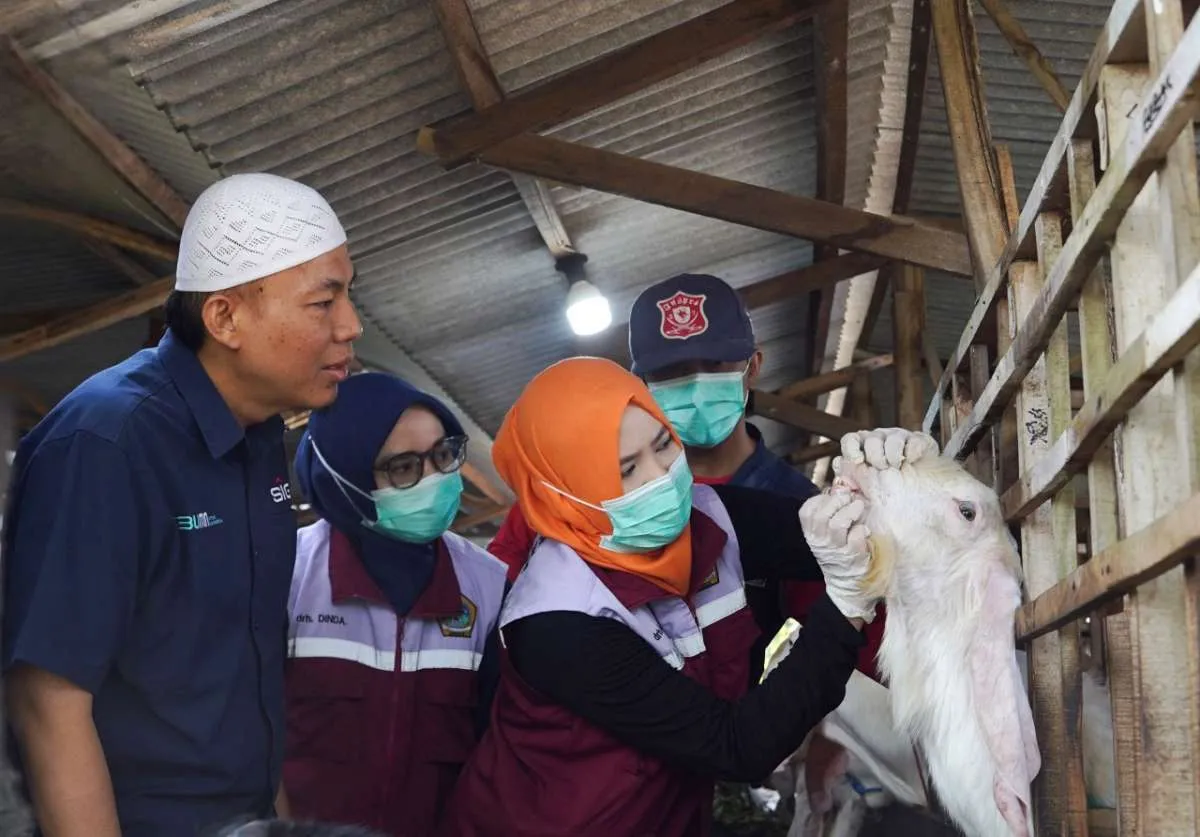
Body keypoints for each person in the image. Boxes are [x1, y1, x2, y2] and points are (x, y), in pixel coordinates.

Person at [2, 172, 360, 837]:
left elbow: (244, 672)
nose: (351, 325)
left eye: (349, 293)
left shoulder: (258, 435)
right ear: (225, 317)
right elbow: (47, 699)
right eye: (324, 301)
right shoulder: (107, 441)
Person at [442, 358, 925, 836]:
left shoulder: (715, 517)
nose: (661, 478)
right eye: (626, 469)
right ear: (566, 495)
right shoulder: (557, 623)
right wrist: (845, 606)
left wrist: (884, 488)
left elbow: (839, 537)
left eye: (663, 446)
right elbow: (738, 746)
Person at [284, 373, 508, 836]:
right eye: (404, 468)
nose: (436, 480)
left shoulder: (486, 584)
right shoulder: (288, 576)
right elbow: (248, 738)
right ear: (345, 481)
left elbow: (495, 745)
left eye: (443, 455)